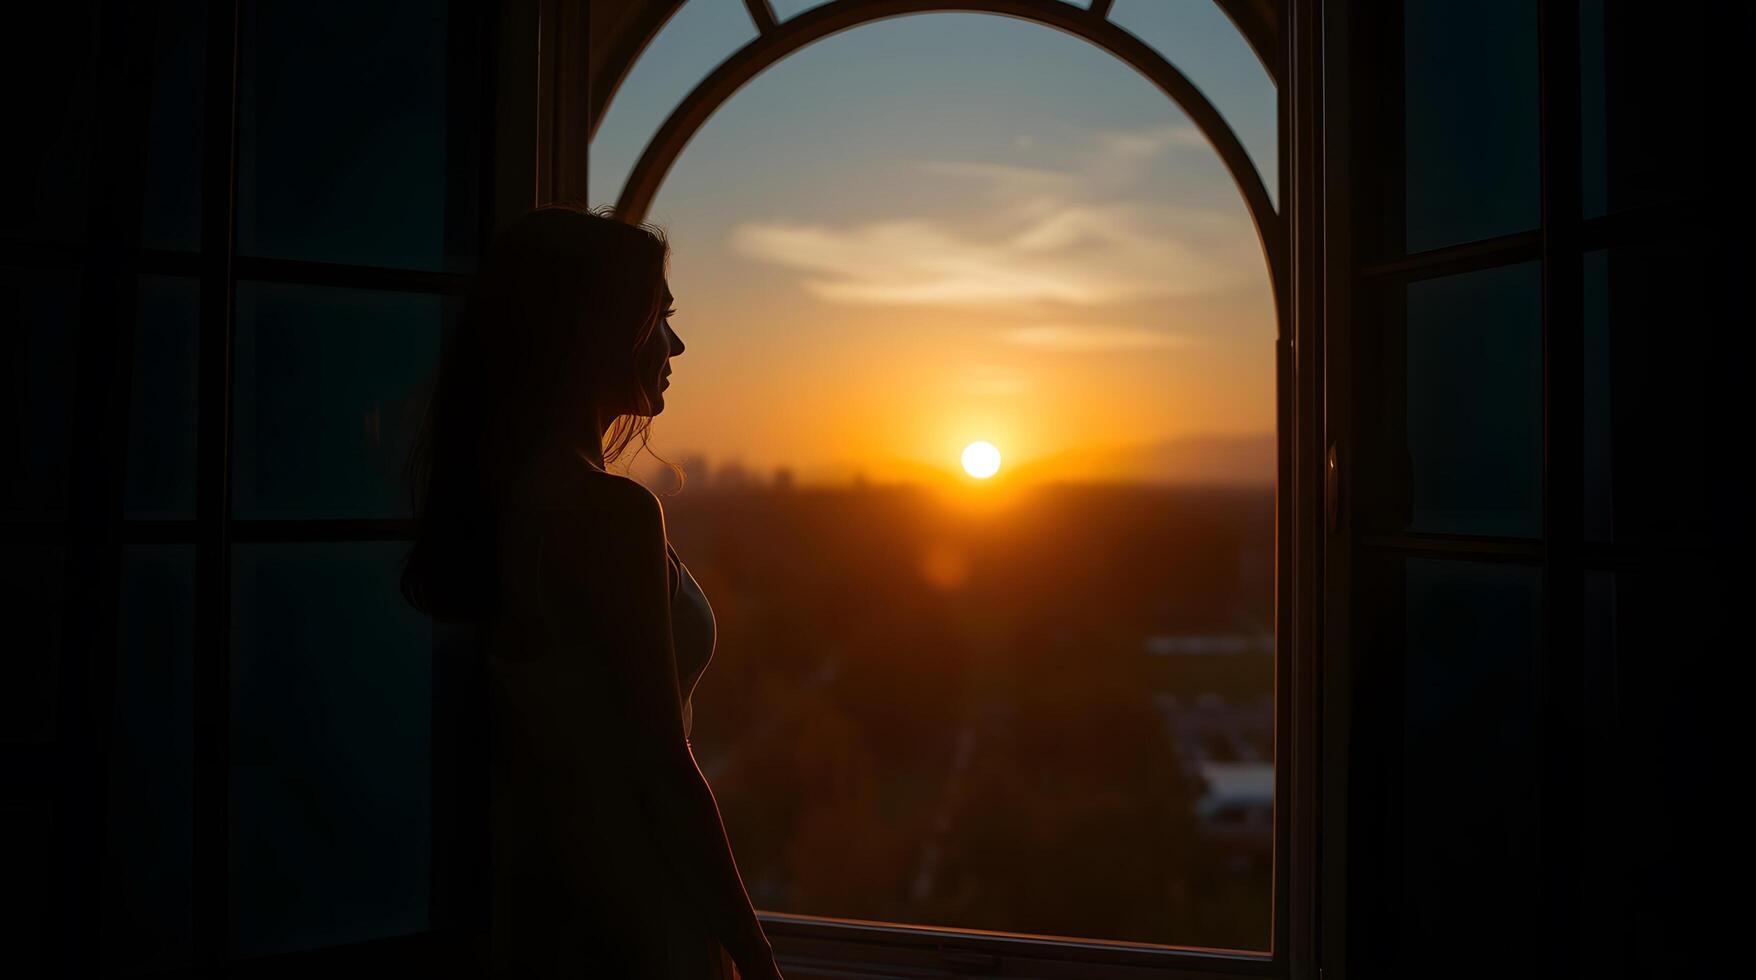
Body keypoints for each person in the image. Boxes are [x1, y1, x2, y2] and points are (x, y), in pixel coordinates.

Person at [402, 204, 781, 979]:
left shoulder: (506, 497)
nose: (675, 346)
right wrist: (757, 953)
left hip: (553, 904)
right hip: (641, 911)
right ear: (595, 333)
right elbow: (663, 767)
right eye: (658, 319)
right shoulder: (609, 514)